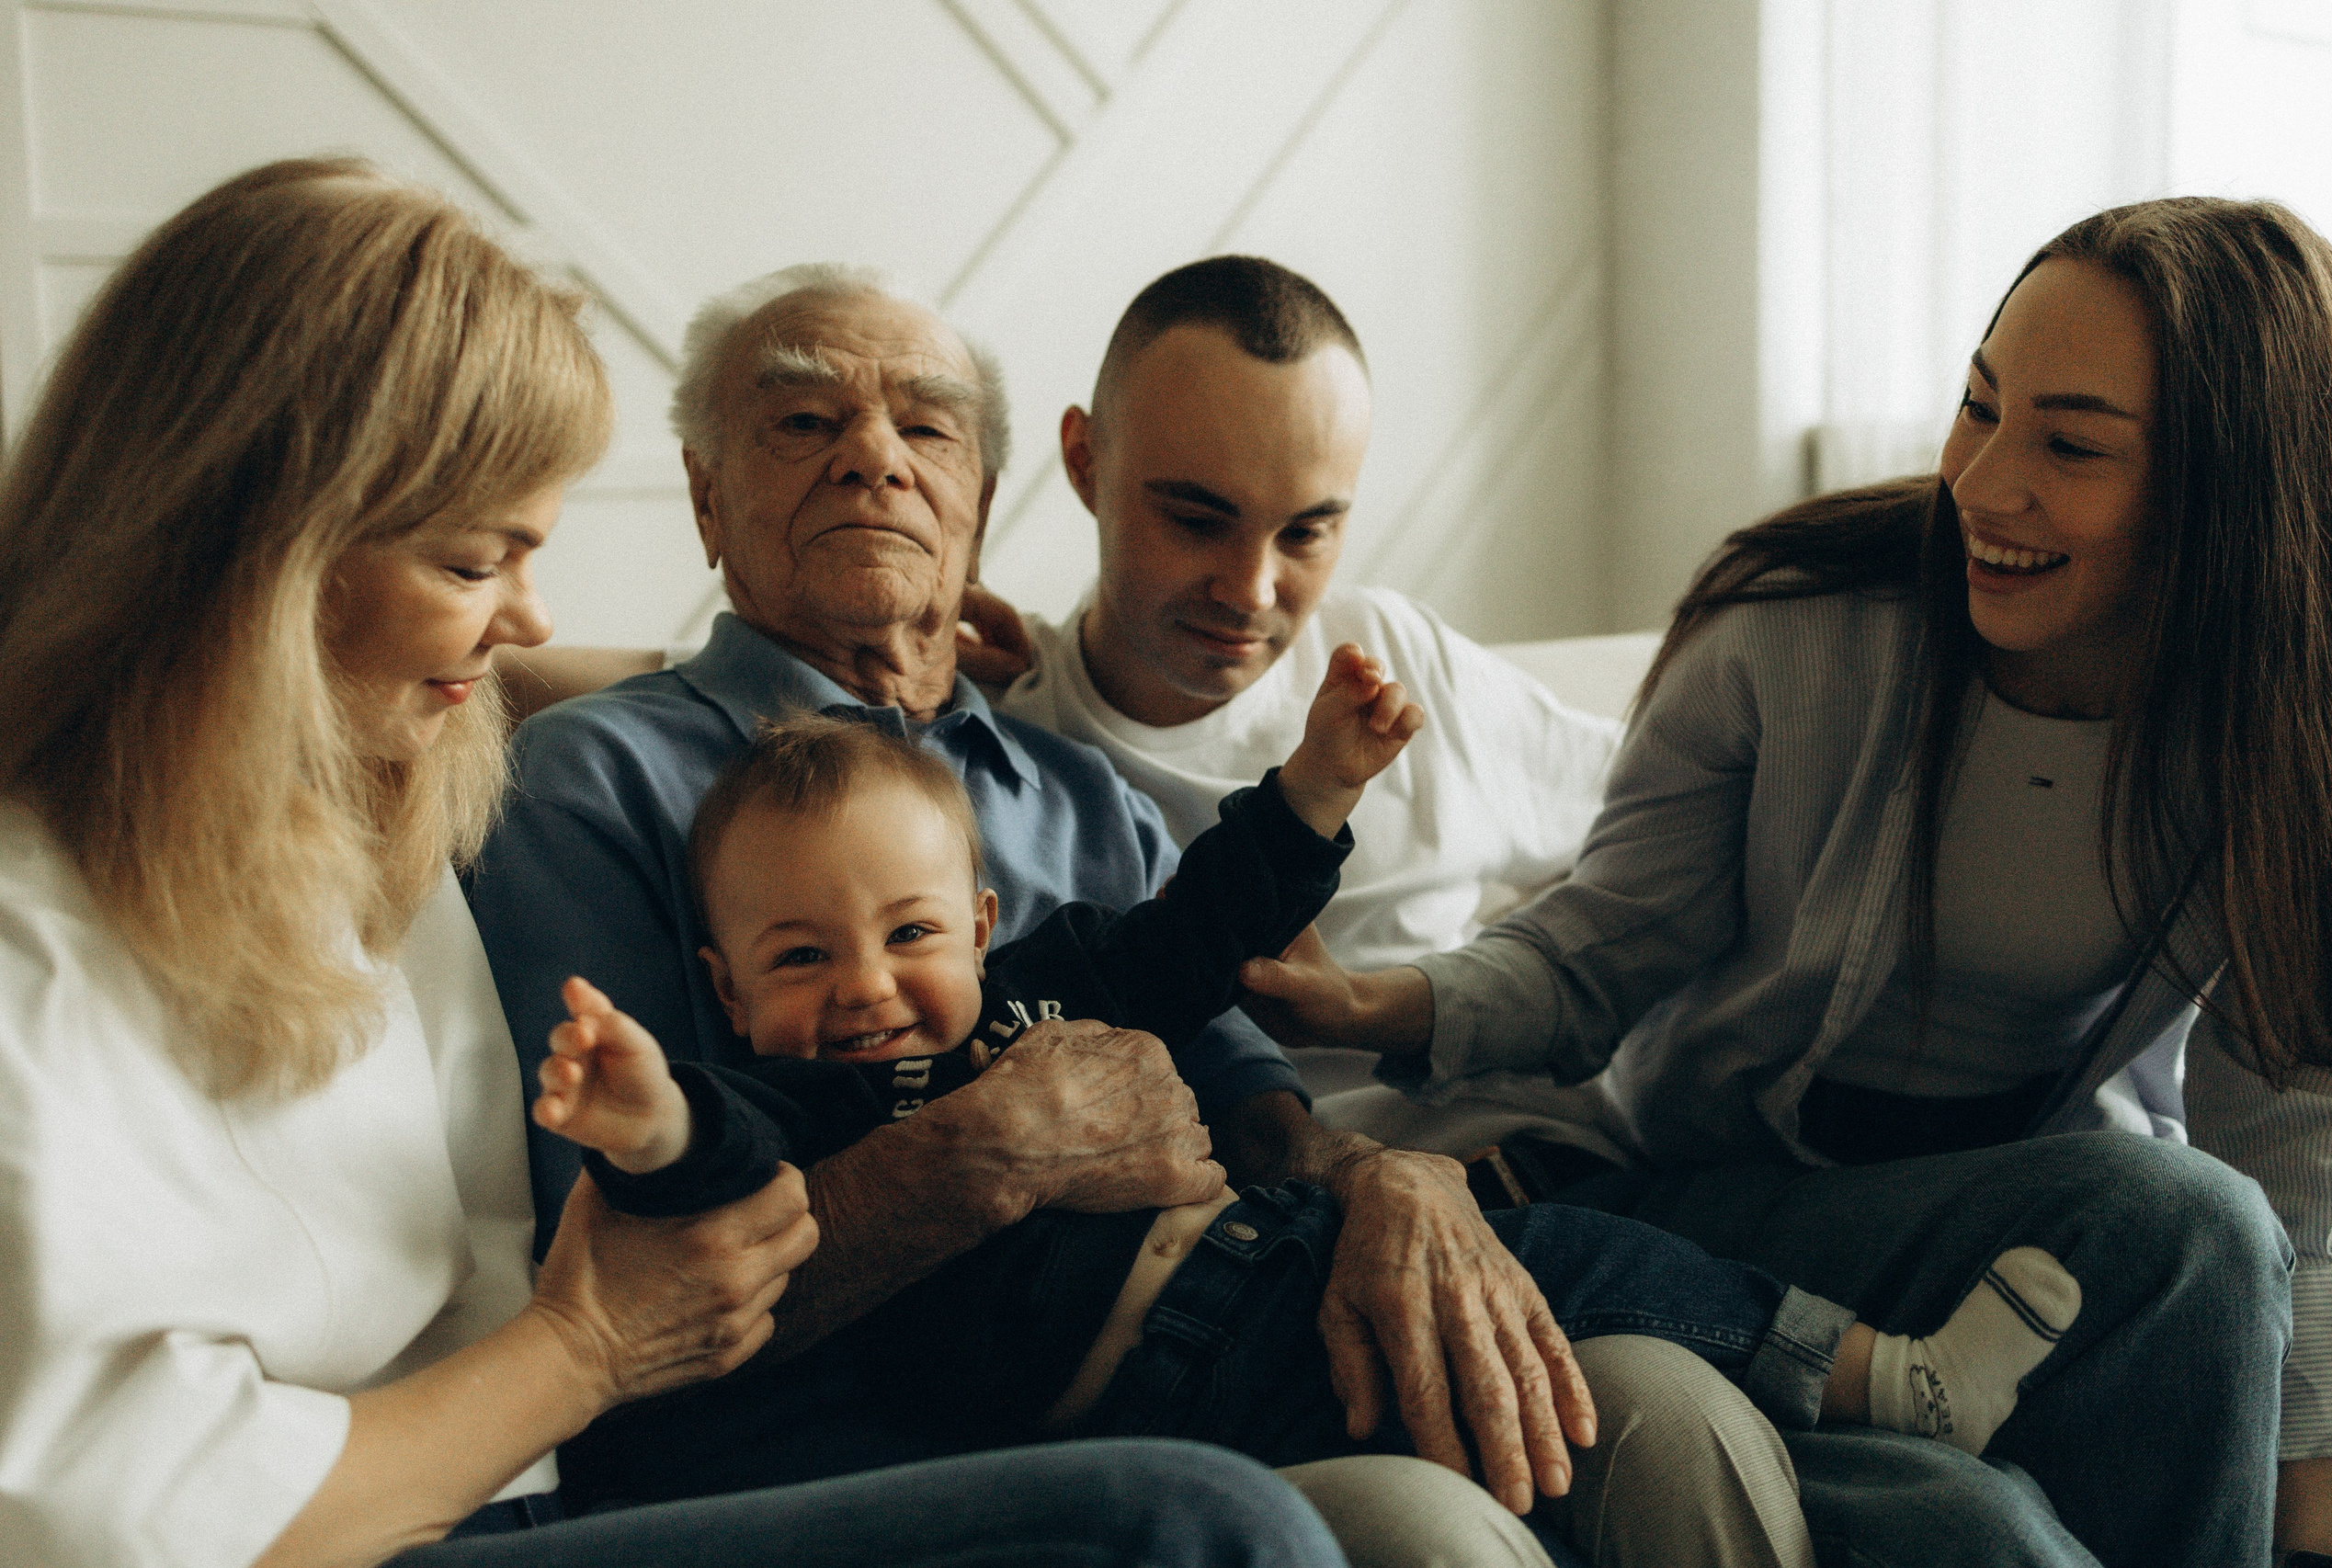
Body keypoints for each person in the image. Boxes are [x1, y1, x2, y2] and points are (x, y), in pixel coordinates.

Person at [0, 157, 1359, 1568]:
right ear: (255, 560)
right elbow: (130, 1516)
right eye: (477, 561)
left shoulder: (362, 803)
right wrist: (584, 1347)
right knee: (1193, 1530)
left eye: (926, 435)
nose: (526, 613)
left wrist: (857, 648)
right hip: (414, 1519)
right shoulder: (47, 948)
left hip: (566, 1477)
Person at [461, 259, 1711, 1539]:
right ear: (706, 495)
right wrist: (983, 1150)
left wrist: (1380, 1174)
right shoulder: (592, 778)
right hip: (844, 1449)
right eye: (803, 420)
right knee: (1422, 1527)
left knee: (1659, 1412)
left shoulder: (1079, 790)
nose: (873, 458)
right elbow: (623, 1264)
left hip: (1196, 1356)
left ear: (984, 500)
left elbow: (1253, 1109)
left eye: (926, 427)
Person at [1240, 196, 2332, 1567]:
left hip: (1988, 1234)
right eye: (1977, 404)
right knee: (2110, 1334)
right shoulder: (1800, 626)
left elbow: (2288, 1149)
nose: (1985, 482)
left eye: (2070, 446)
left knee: (2157, 1278)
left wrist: (2321, 1496)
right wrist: (1373, 1004)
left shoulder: (2293, 725)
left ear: (2226, 491)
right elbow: (1601, 951)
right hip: (1700, 1193)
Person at [531, 701, 2087, 1494]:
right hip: (1140, 1384)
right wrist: (650, 1111)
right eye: (802, 956)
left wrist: (1319, 792)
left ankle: (1882, 1375)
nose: (865, 985)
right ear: (731, 996)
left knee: (1567, 1259)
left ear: (986, 930)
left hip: (1263, 1259)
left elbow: (1196, 935)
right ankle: (1863, 1382)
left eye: (911, 935)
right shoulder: (792, 1105)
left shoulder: (1052, 982)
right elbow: (719, 1178)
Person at [961, 255, 1628, 1166]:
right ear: (1086, 462)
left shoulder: (1389, 650)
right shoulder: (1002, 745)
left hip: (1577, 1149)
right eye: (1196, 520)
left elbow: (1668, 833)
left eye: (1306, 531)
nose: (1249, 589)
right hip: (1314, 1222)